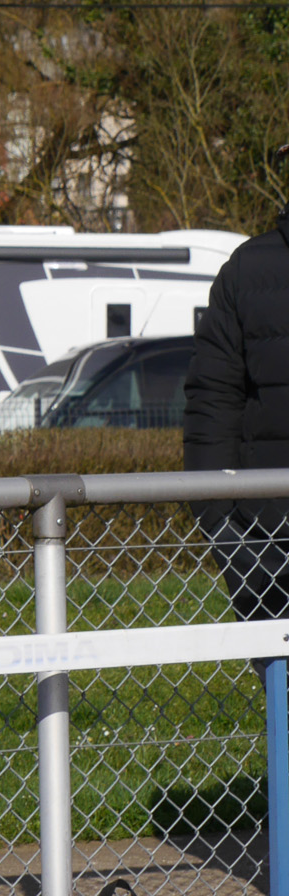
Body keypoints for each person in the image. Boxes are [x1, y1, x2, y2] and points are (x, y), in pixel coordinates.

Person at [184, 205, 289, 623]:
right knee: (281, 682)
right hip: (271, 545)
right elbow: (212, 401)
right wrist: (225, 531)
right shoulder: (247, 270)